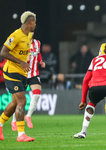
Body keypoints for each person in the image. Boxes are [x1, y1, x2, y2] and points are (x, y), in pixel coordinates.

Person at [0, 11, 36, 142]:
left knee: (15, 103)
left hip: (22, 73)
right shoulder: (16, 35)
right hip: (11, 72)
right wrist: (20, 61)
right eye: (35, 22)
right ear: (30, 23)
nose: (35, 25)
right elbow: (3, 52)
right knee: (22, 101)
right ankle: (21, 134)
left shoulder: (29, 36)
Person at [11, 32, 45, 131]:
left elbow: (38, 54)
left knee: (37, 93)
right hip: (22, 74)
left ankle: (28, 116)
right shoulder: (20, 43)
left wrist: (41, 61)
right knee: (17, 100)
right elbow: (14, 56)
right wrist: (24, 58)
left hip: (34, 74)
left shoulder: (37, 43)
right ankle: (14, 121)